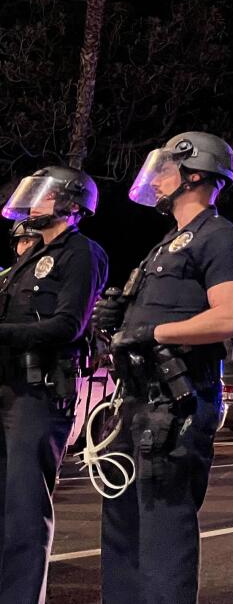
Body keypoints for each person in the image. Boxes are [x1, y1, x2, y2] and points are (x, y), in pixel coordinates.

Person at [91, 131, 233, 604]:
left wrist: (154, 333)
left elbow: (229, 318)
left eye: (166, 169)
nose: (156, 179)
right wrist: (118, 319)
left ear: (194, 174)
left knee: (163, 535)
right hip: (137, 399)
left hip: (176, 403)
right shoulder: (166, 244)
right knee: (122, 531)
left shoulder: (219, 237)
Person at [0, 167, 108, 603]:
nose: (34, 201)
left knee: (25, 511)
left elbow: (68, 325)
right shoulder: (26, 257)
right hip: (6, 389)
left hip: (39, 393)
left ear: (69, 203)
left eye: (43, 194)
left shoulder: (80, 253)